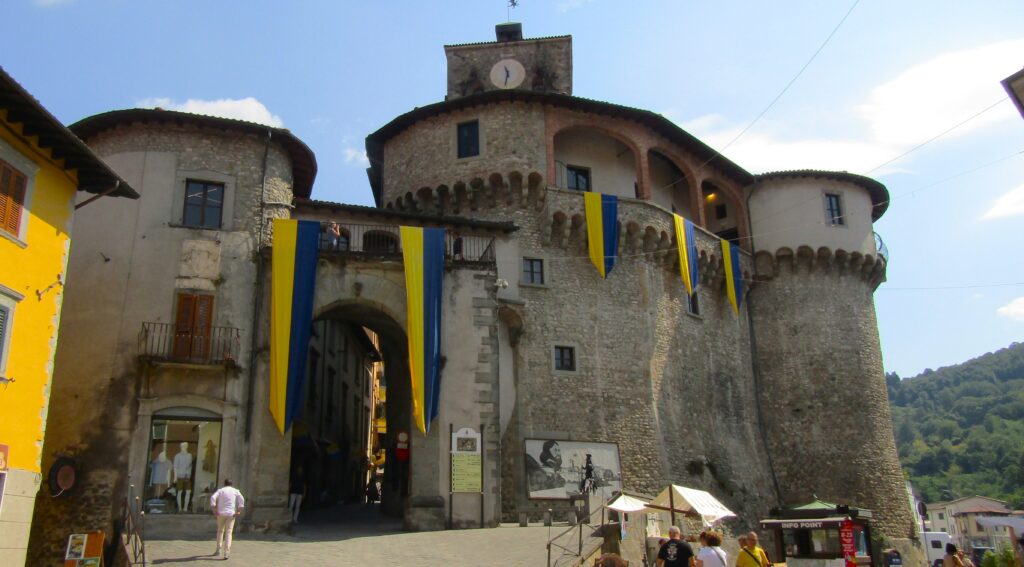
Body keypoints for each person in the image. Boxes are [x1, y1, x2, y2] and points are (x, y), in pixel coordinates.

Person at [210, 479, 245, 560]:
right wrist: (239, 510)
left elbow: (212, 497)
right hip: (231, 514)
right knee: (229, 532)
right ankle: (226, 552)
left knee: (220, 531)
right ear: (231, 484)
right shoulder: (235, 491)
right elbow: (241, 500)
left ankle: (218, 549)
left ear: (224, 484)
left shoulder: (221, 490)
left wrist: (214, 509)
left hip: (221, 513)